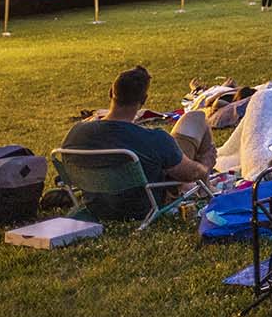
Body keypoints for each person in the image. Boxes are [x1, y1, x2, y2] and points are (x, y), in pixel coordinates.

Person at [60, 67, 210, 219]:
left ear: (111, 92)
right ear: (144, 99)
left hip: (97, 206)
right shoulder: (154, 139)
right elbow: (190, 173)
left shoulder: (76, 133)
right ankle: (207, 188)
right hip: (142, 207)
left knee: (169, 148)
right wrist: (204, 168)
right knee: (196, 117)